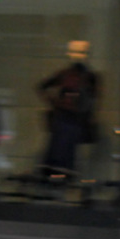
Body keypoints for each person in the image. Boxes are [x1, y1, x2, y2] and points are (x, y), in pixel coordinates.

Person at [37, 40, 99, 177]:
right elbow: (43, 86)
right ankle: (58, 177)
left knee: (61, 154)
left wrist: (55, 102)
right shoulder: (73, 75)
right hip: (69, 119)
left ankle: (57, 177)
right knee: (61, 155)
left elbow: (91, 100)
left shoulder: (83, 76)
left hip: (71, 119)